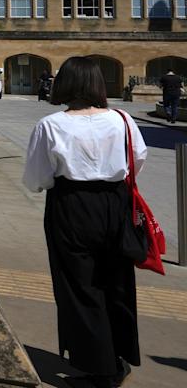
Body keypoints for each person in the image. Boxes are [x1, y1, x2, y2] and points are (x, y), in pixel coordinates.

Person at [22, 56, 147, 388]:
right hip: (116, 203)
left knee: (81, 287)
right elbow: (138, 159)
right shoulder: (122, 119)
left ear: (65, 84)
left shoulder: (52, 125)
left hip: (72, 204)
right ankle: (119, 356)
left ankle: (100, 369)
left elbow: (36, 178)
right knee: (117, 282)